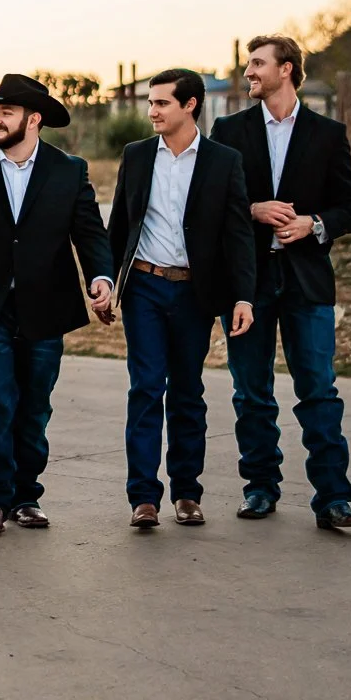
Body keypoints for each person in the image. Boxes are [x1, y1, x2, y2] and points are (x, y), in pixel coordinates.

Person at [211, 35, 351, 529]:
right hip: (248, 281)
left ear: (287, 70)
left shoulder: (327, 134)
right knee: (250, 391)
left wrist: (313, 224)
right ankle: (259, 488)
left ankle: (334, 499)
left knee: (319, 390)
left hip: (307, 281)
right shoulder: (228, 130)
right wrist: (253, 209)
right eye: (249, 63)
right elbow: (210, 203)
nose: (249, 72)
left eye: (258, 64)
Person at [0, 75, 114, 534]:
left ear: (34, 119)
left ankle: (27, 496)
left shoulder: (69, 170)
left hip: (46, 305)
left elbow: (89, 232)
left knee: (35, 404)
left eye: (5, 112)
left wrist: (100, 278)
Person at [107, 69, 256, 529]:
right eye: (150, 103)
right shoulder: (135, 155)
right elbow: (118, 227)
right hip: (145, 289)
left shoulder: (222, 160)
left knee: (188, 391)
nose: (152, 111)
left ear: (190, 105)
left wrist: (243, 297)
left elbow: (238, 234)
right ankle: (144, 498)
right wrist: (105, 283)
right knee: (147, 388)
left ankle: (187, 493)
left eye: (162, 103)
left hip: (195, 291)